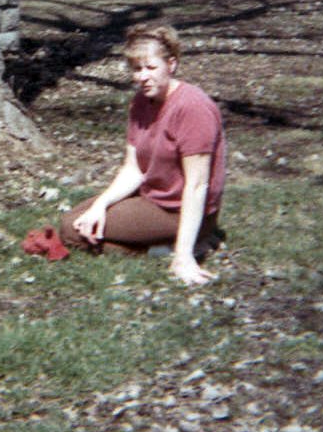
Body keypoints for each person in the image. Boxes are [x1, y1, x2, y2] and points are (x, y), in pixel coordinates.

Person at [59, 24, 226, 287]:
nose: (143, 77)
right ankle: (164, 246)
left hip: (178, 210)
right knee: (77, 219)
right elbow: (134, 168)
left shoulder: (192, 107)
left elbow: (197, 185)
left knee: (71, 232)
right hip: (152, 197)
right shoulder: (140, 102)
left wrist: (183, 257)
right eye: (137, 69)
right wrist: (101, 204)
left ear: (171, 64)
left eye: (151, 67)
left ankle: (178, 247)